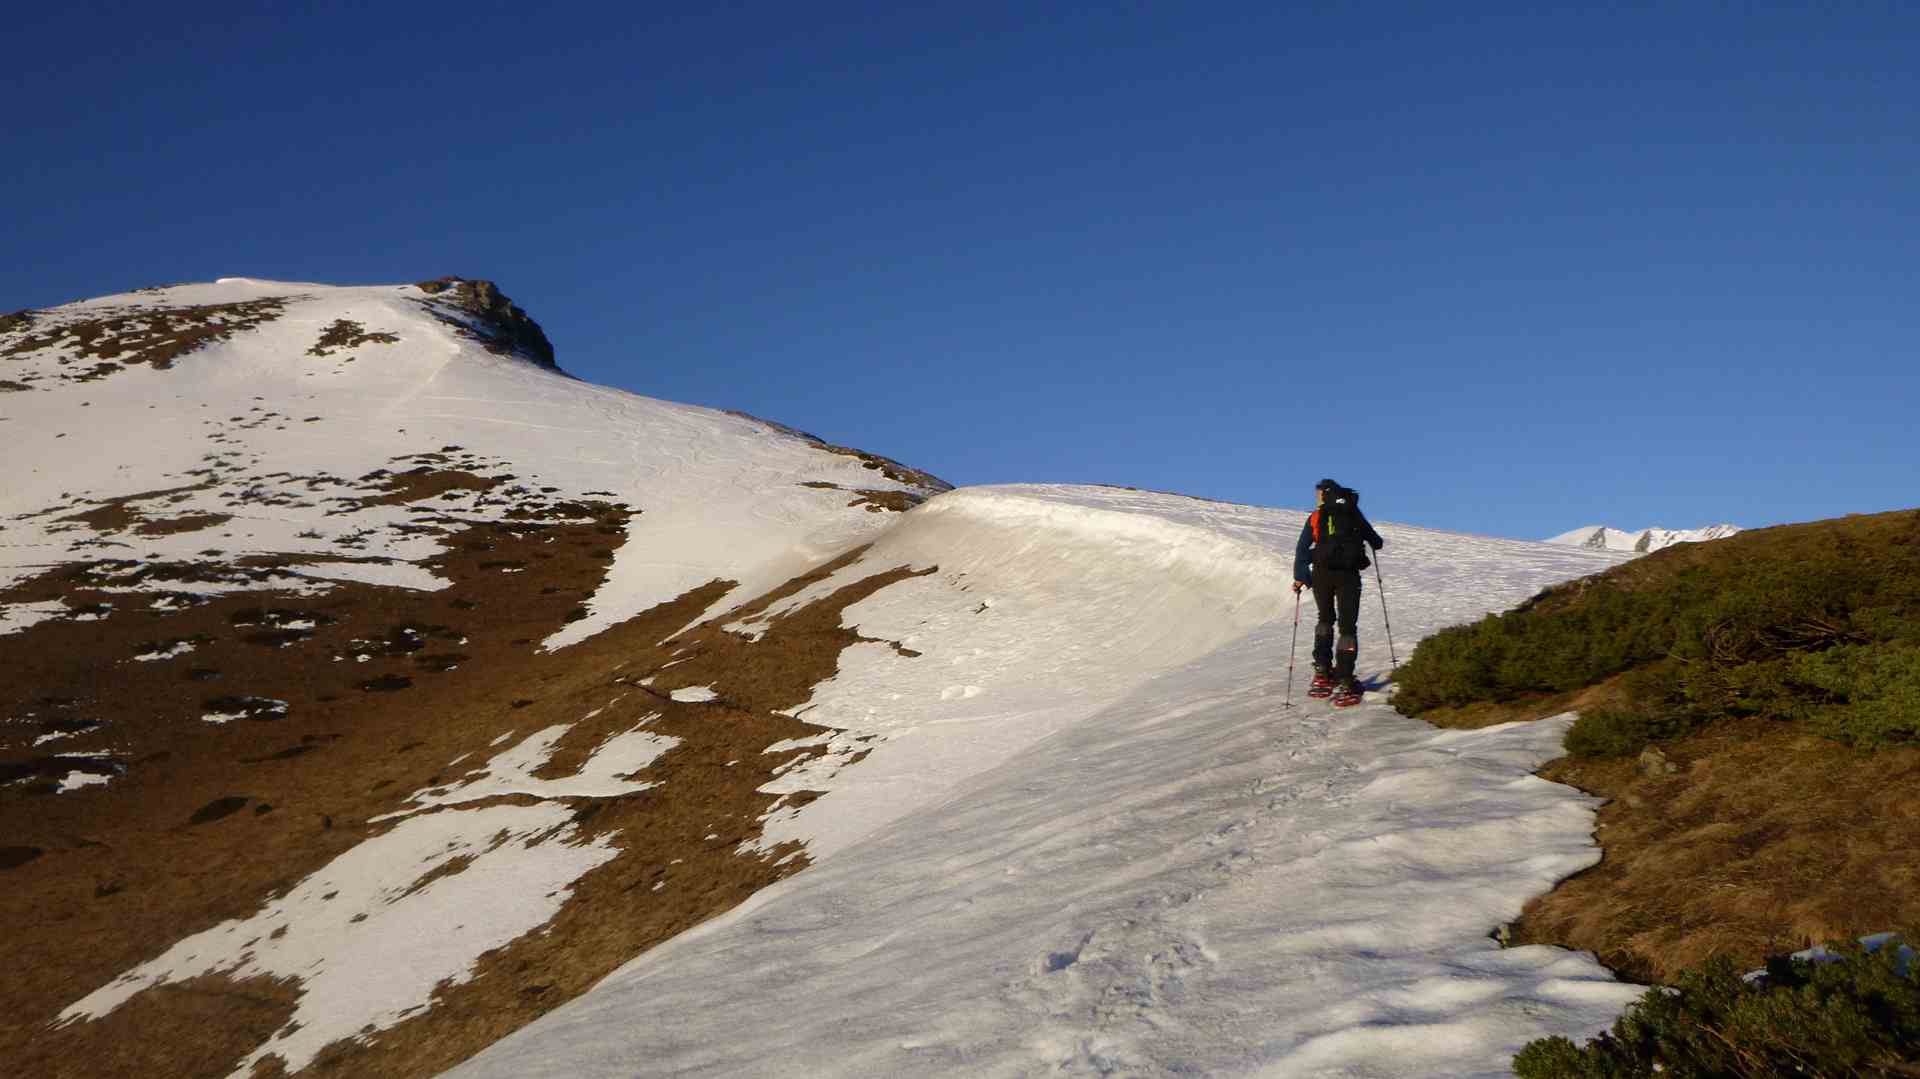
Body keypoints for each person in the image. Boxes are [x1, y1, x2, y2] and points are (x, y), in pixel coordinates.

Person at [1292, 478, 1385, 707]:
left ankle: (1323, 673)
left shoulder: (1316, 517)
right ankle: (1345, 681)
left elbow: (1302, 548)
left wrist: (1301, 577)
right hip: (1348, 576)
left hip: (1322, 575)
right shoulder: (1353, 513)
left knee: (1324, 619)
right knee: (1347, 627)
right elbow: (1376, 542)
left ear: (1324, 494)